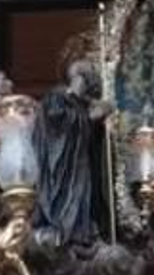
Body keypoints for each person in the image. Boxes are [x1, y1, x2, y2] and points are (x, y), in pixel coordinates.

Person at [34, 35, 114, 247]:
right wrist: (90, 117)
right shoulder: (58, 97)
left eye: (89, 78)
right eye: (83, 75)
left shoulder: (85, 102)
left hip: (83, 170)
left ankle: (87, 228)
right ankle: (67, 229)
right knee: (70, 199)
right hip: (65, 173)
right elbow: (59, 130)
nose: (85, 82)